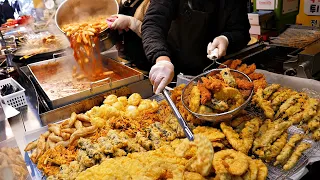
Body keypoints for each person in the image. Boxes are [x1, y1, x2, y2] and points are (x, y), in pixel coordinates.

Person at [142, 0, 251, 94]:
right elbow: (153, 23)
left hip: (217, 76)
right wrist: (162, 59)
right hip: (173, 72)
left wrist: (226, 39)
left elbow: (241, 31)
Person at [107, 0, 151, 71]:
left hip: (149, 61)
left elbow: (155, 34)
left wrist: (131, 22)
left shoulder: (153, 3)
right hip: (131, 59)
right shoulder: (122, 2)